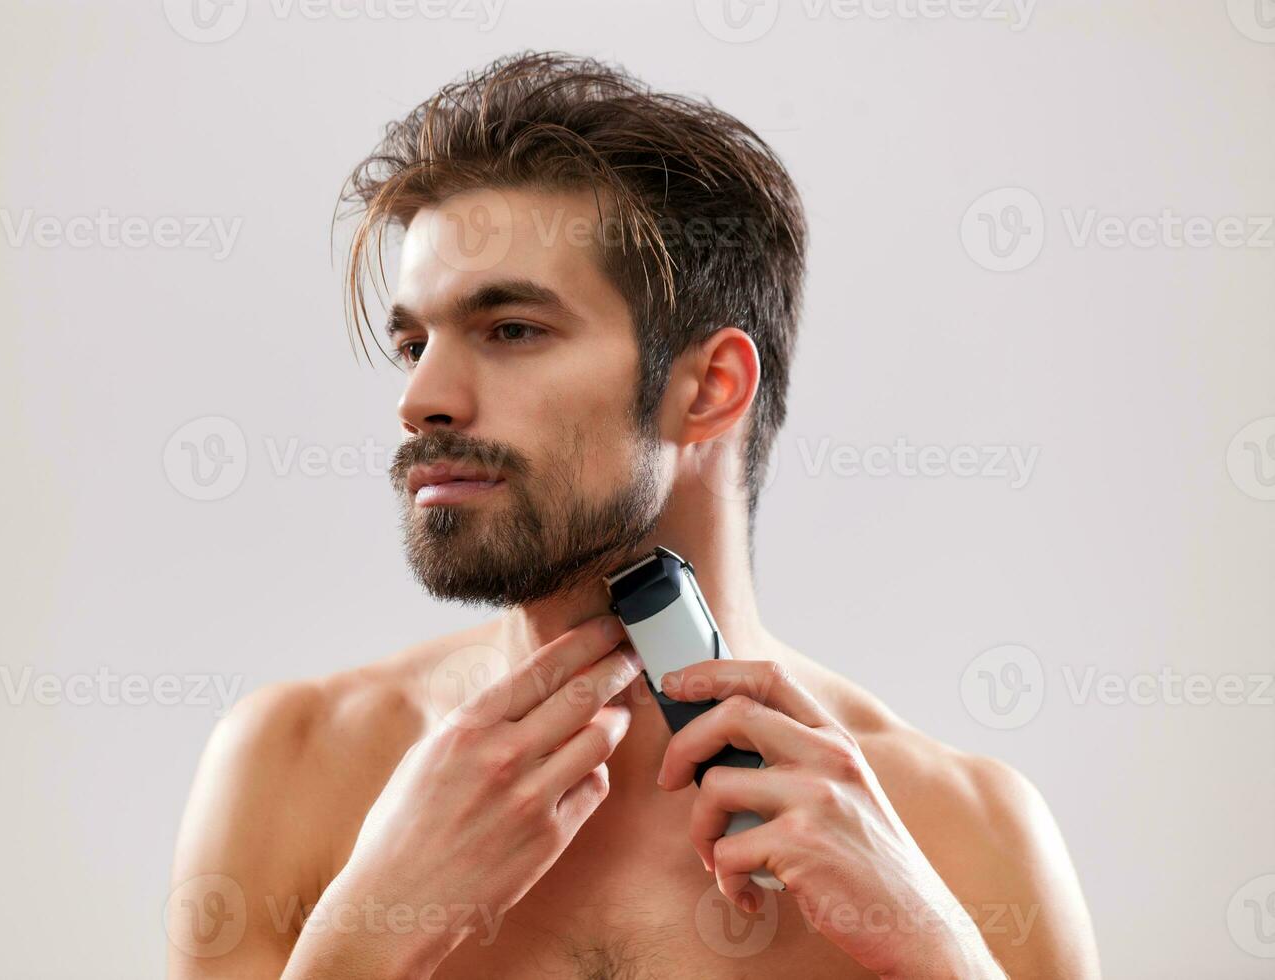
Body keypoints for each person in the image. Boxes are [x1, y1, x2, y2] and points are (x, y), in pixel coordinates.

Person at [168, 51, 1100, 979]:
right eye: (415, 342)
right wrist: (360, 941)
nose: (422, 398)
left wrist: (945, 961)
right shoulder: (295, 770)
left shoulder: (965, 838)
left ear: (710, 388)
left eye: (512, 331)